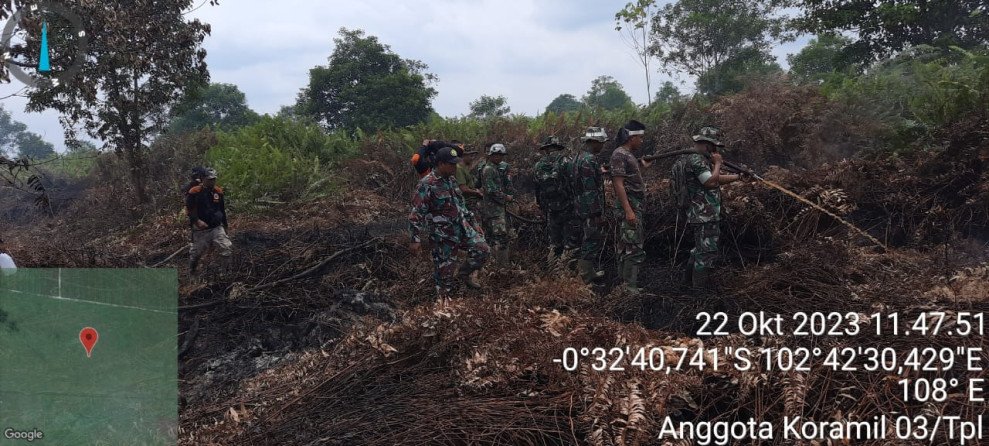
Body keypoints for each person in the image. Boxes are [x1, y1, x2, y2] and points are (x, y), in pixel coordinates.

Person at [409, 147, 490, 298]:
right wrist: (415, 239)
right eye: (451, 164)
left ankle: (464, 275)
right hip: (443, 236)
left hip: (462, 229)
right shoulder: (427, 184)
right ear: (440, 164)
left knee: (482, 249)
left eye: (455, 164)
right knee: (444, 274)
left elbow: (461, 206)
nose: (455, 167)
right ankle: (444, 302)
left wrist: (474, 225)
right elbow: (416, 213)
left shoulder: (451, 181)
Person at [671, 127, 744, 293]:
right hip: (704, 215)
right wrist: (718, 164)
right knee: (705, 253)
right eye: (714, 146)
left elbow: (714, 179)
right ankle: (699, 292)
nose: (716, 150)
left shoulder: (697, 159)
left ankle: (686, 284)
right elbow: (710, 182)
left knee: (699, 250)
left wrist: (738, 177)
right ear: (706, 144)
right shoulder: (697, 160)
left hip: (703, 214)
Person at [610, 119, 652, 294]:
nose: (641, 141)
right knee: (633, 246)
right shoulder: (619, 155)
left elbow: (630, 179)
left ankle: (625, 284)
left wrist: (642, 169)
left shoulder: (628, 155)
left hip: (634, 204)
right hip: (630, 205)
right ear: (631, 138)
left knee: (626, 244)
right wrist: (628, 210)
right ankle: (629, 287)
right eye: (640, 138)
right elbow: (618, 183)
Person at [533, 136, 581, 263]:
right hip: (568, 207)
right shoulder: (566, 161)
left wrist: (540, 205)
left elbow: (537, 188)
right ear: (558, 147)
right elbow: (574, 182)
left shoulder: (538, 165)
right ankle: (568, 269)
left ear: (546, 149)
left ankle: (553, 268)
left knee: (554, 243)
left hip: (550, 208)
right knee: (571, 243)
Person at [574, 127, 609, 284]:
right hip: (589, 210)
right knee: (591, 240)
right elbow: (590, 190)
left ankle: (590, 272)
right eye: (601, 142)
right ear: (594, 142)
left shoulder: (579, 157)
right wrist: (597, 213)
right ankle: (586, 278)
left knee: (588, 239)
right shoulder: (589, 160)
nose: (603, 146)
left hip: (580, 206)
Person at [186, 168, 233, 277]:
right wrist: (197, 221)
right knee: (196, 254)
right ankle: (192, 273)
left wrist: (225, 225)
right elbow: (189, 210)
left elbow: (222, 209)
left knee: (226, 247)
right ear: (203, 179)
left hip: (216, 227)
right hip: (200, 230)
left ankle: (225, 275)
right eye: (209, 179)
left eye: (214, 179)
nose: (212, 181)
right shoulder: (194, 192)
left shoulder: (218, 191)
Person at [479, 143, 514, 265]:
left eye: (501, 155)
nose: (499, 157)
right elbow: (491, 190)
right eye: (496, 155)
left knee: (492, 239)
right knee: (500, 239)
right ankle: (502, 267)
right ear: (491, 155)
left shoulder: (495, 168)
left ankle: (493, 266)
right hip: (494, 211)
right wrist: (506, 197)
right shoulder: (489, 169)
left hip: (494, 209)